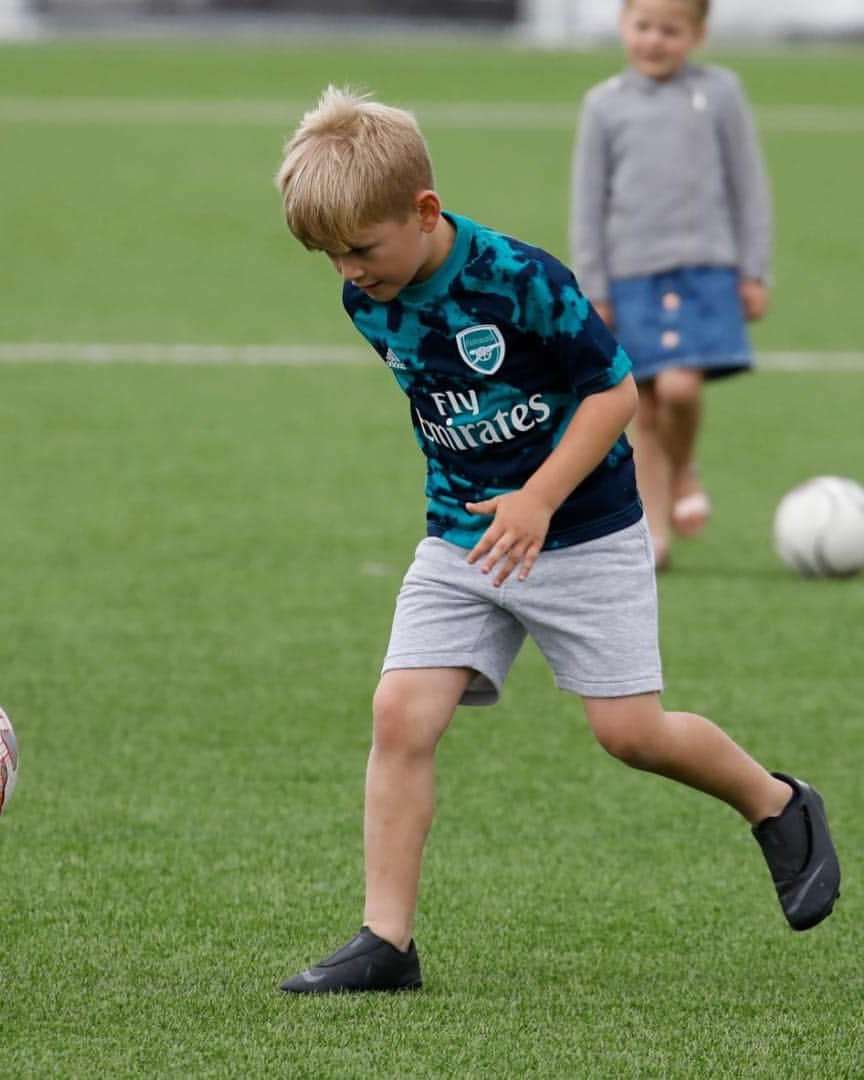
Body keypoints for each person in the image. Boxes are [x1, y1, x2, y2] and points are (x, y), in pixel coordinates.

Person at [274, 86, 837, 994]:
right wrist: (491, 499)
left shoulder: (519, 278)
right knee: (399, 715)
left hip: (583, 530)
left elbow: (614, 394)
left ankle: (778, 803)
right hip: (464, 536)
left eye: (361, 249)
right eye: (330, 255)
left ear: (424, 212)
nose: (347, 271)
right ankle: (387, 941)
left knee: (631, 734)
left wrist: (536, 497)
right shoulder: (367, 297)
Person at [570, 0, 772, 569]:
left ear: (697, 34)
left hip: (706, 271)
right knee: (644, 408)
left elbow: (748, 186)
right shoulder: (604, 105)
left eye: (670, 30)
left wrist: (753, 270)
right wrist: (596, 287)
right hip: (630, 277)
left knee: (681, 390)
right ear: (623, 25)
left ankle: (683, 468)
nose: (654, 41)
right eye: (643, 27)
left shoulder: (722, 94)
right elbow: (588, 205)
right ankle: (652, 533)